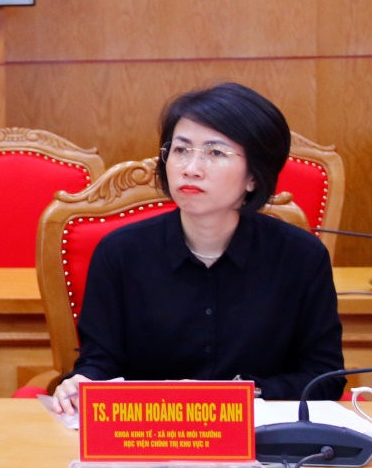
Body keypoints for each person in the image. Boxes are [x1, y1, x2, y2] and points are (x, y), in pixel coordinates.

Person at [51, 82, 344, 415]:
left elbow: (324, 377)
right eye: (181, 150)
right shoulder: (120, 253)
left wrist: (246, 393)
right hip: (149, 433)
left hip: (260, 433)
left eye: (215, 153)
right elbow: (100, 362)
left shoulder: (300, 257)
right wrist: (83, 381)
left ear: (254, 176)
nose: (190, 168)